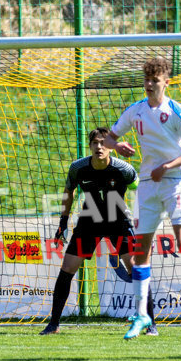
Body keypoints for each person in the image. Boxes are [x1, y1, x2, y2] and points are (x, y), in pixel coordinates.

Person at [104, 57, 181, 339]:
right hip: (147, 184)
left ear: (165, 82)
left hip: (174, 183)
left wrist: (168, 166)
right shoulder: (135, 111)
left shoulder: (177, 111)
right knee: (140, 251)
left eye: (154, 81)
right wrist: (117, 144)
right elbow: (109, 138)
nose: (148, 85)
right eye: (146, 80)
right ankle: (142, 315)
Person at [43, 127, 149, 335]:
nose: (99, 147)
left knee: (136, 269)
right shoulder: (78, 168)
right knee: (67, 269)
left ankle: (149, 322)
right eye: (95, 143)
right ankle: (53, 323)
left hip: (118, 222)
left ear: (110, 147)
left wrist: (144, 220)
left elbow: (142, 190)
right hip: (89, 222)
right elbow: (69, 191)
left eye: (103, 143)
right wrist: (63, 222)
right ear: (90, 146)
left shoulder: (124, 169)